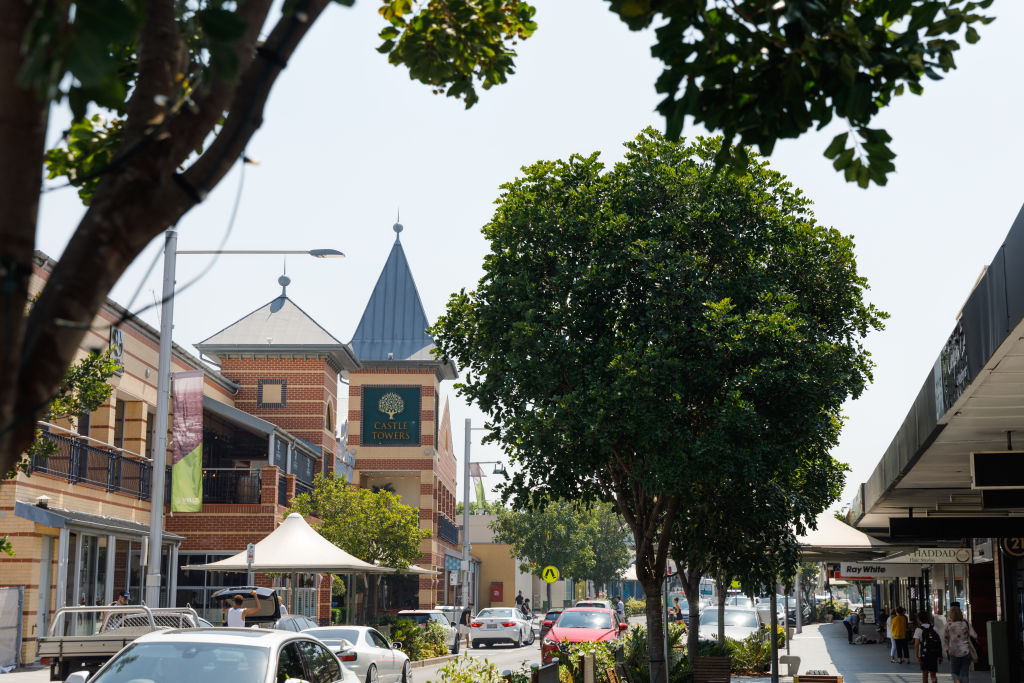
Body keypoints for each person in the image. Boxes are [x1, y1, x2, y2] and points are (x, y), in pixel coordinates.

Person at [942, 605, 977, 683]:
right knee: (964, 674)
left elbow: (944, 639)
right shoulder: (966, 623)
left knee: (954, 672)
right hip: (966, 651)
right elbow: (974, 635)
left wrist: (947, 650)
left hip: (954, 651)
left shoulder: (948, 625)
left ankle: (957, 681)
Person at [914, 610, 943, 683]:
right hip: (933, 654)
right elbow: (938, 642)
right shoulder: (934, 628)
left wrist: (917, 656)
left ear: (919, 619)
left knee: (925, 674)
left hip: (924, 655)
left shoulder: (918, 630)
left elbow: (916, 644)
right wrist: (940, 656)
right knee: (933, 674)